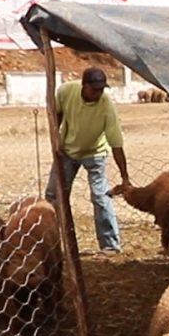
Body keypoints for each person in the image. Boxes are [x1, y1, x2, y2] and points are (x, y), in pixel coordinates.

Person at [47, 66, 130, 254]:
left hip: (95, 153)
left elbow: (116, 142)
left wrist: (125, 177)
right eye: (95, 89)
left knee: (101, 197)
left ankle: (110, 245)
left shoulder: (106, 105)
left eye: (101, 89)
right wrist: (55, 139)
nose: (98, 93)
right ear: (83, 86)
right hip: (68, 151)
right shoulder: (66, 91)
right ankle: (50, 242)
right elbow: (56, 114)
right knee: (54, 196)